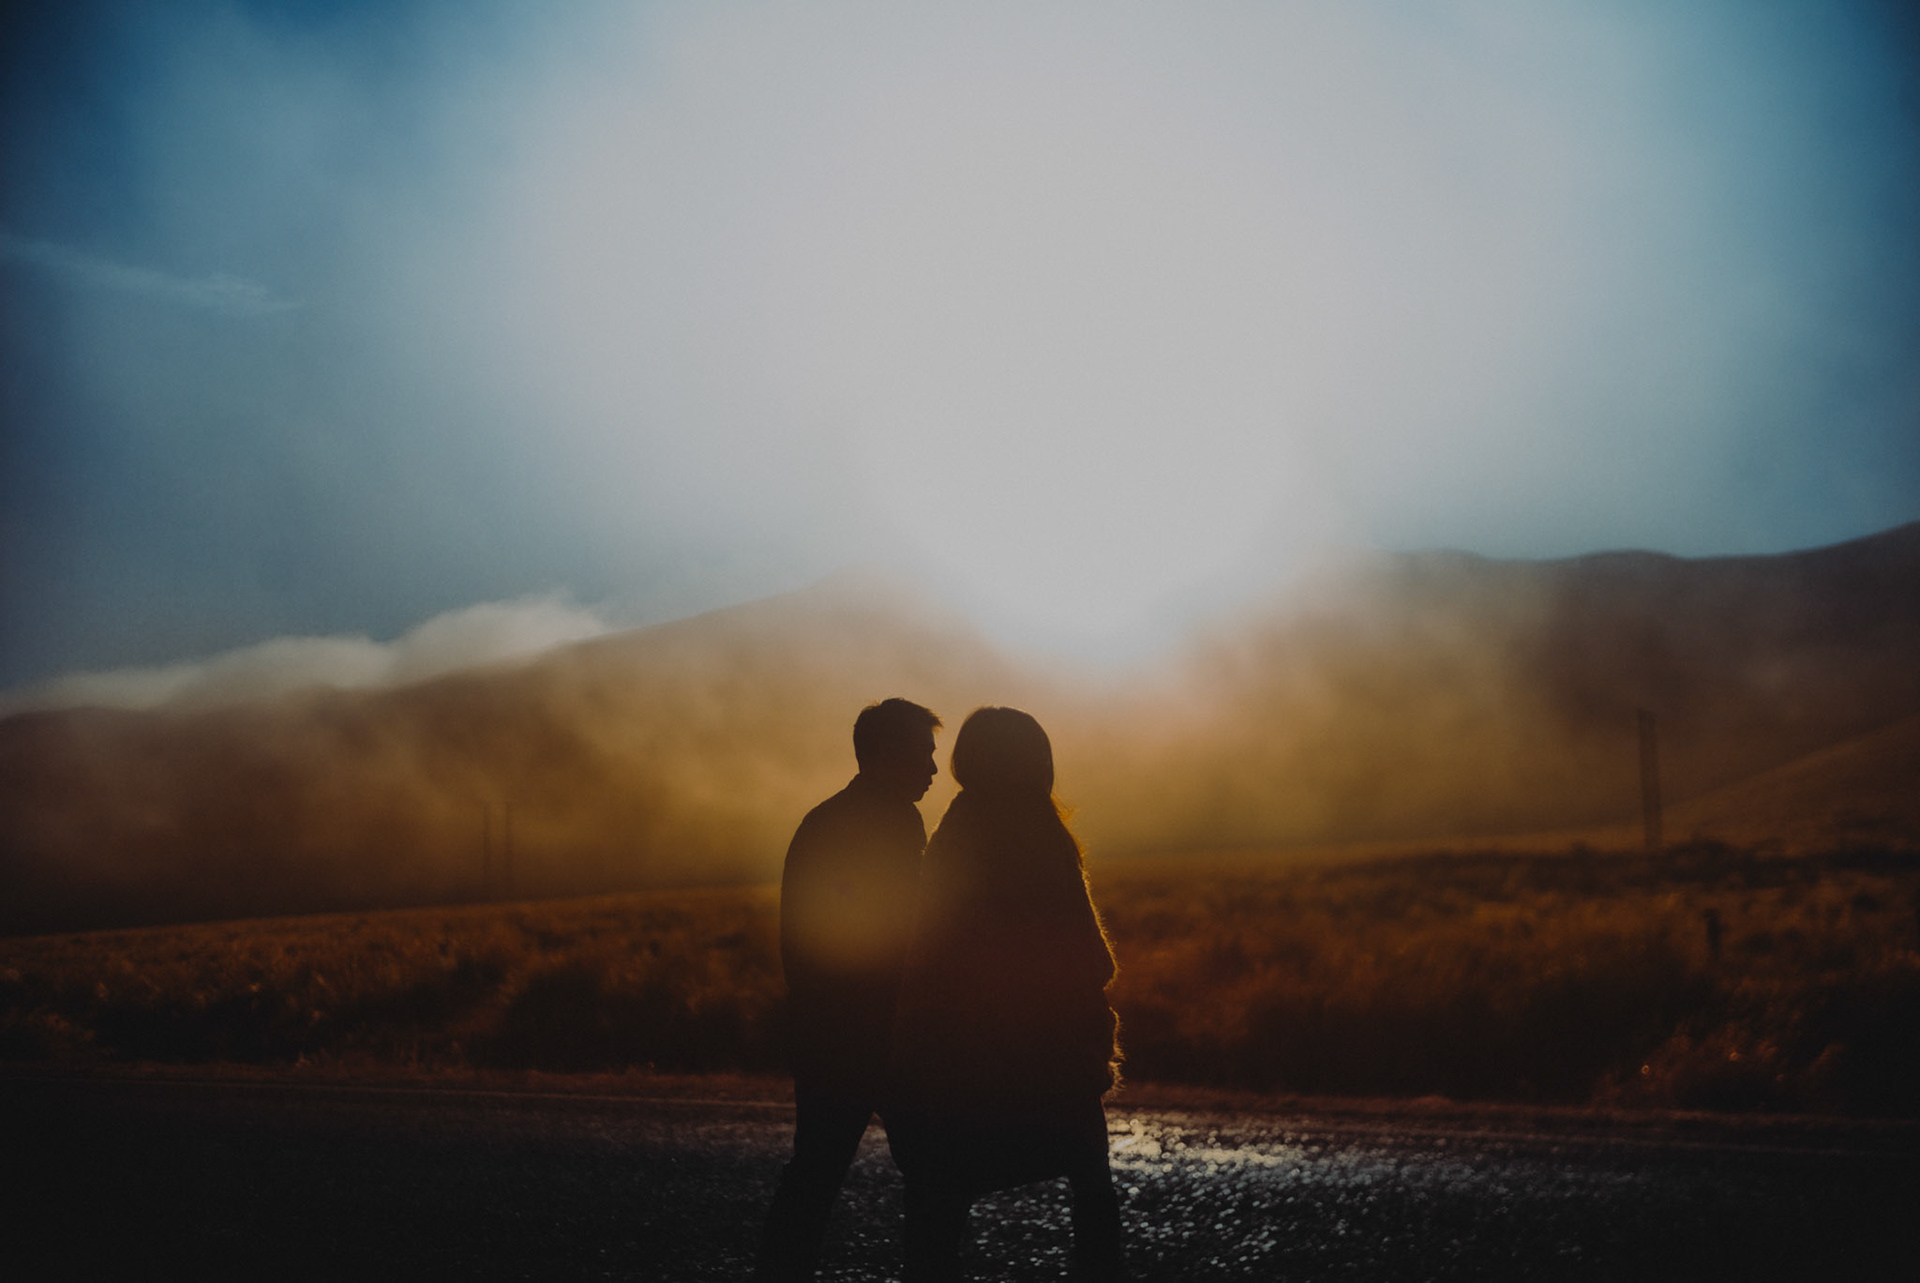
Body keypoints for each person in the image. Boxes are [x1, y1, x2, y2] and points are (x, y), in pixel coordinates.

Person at [886, 706, 1126, 1282]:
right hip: (1054, 1061)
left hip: (965, 1062)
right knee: (1093, 1191)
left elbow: (929, 948)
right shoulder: (1047, 835)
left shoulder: (958, 830)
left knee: (938, 1206)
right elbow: (1094, 959)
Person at [753, 697, 943, 1282]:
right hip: (868, 1029)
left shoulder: (830, 817)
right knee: (932, 1171)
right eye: (925, 753)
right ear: (889, 752)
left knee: (817, 1170)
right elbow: (900, 927)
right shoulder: (887, 820)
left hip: (831, 1029)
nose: (934, 769)